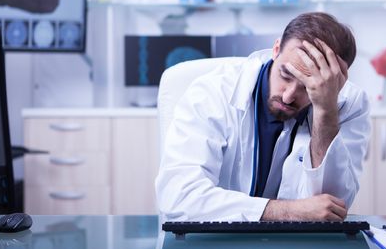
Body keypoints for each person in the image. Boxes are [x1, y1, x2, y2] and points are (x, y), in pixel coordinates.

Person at [155, 12, 370, 222]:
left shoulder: (349, 105)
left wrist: (325, 110)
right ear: (276, 49)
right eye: (285, 75)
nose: (287, 96)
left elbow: (332, 208)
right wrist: (288, 212)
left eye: (308, 87)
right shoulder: (212, 92)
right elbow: (179, 197)